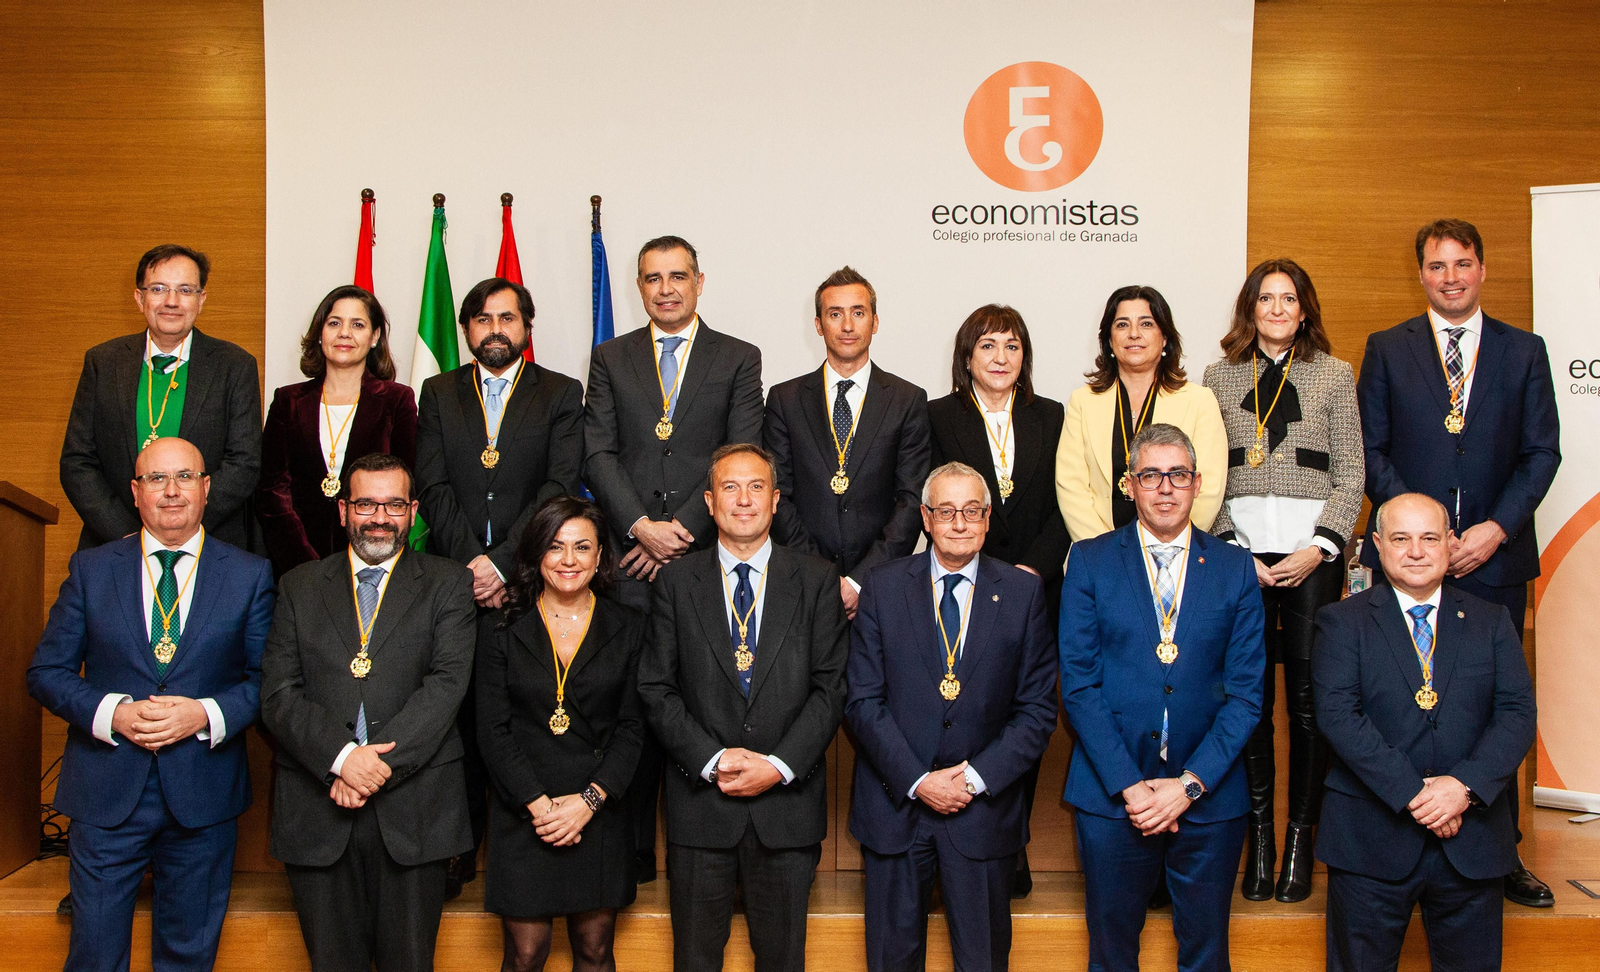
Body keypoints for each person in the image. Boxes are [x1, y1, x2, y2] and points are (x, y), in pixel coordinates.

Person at [1355, 218, 1560, 907]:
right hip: (1410, 560)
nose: (1450, 277)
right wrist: (1426, 535)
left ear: (1482, 268)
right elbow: (1371, 451)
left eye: (1462, 263)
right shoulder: (1388, 349)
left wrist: (1495, 530)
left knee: (1493, 706)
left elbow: (1542, 452)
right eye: (1437, 265)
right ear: (1421, 273)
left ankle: (1503, 853)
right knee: (1405, 699)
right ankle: (1407, 836)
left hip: (1494, 560)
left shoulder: (1524, 350)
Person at [28, 436, 275, 971]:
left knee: (188, 956)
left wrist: (203, 714)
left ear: (206, 488)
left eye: (184, 477)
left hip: (204, 796)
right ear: (135, 491)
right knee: (94, 956)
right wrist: (113, 713)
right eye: (156, 479)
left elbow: (268, 682)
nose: (171, 491)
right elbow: (46, 673)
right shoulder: (91, 569)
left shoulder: (249, 574)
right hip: (106, 792)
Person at [584, 236, 764, 880]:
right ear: (639, 286)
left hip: (703, 561)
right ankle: (632, 854)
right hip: (628, 565)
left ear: (699, 281)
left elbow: (740, 453)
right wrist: (638, 526)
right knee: (631, 707)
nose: (666, 289)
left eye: (678, 276)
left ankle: (705, 856)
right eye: (653, 278)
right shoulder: (610, 357)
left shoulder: (738, 357)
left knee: (703, 705)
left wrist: (679, 530)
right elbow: (597, 452)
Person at [1058, 423, 1265, 972]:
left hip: (1209, 796)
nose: (1165, 487)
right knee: (1111, 954)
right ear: (1129, 485)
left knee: (1206, 954)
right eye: (1150, 475)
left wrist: (1189, 785)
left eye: (1178, 474)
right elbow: (1078, 686)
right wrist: (1132, 787)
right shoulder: (1089, 560)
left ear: (1198, 483)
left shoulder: (1235, 568)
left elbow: (1247, 696)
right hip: (1112, 794)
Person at [261, 452, 476, 972]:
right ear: (343, 510)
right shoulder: (298, 585)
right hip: (317, 809)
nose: (380, 518)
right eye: (366, 504)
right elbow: (279, 694)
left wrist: (370, 767)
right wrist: (341, 760)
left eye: (394, 505)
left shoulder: (449, 583)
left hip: (415, 811)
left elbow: (446, 687)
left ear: (413, 511)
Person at [636, 443, 847, 972]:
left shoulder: (817, 579)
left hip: (787, 813)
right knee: (695, 961)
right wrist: (713, 760)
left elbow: (831, 689)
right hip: (700, 811)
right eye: (730, 487)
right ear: (709, 502)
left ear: (775, 501)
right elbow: (656, 687)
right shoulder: (676, 582)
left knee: (782, 961)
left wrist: (777, 766)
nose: (744, 500)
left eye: (757, 487)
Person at [846, 462, 1057, 971]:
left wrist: (973, 780)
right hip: (896, 808)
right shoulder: (882, 586)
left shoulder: (1023, 593)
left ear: (987, 518)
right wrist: (919, 780)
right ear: (925, 517)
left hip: (981, 812)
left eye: (971, 511)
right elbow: (862, 701)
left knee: (983, 961)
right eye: (946, 511)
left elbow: (1036, 711)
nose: (959, 523)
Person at [1314, 493, 1536, 972]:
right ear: (1377, 546)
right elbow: (1338, 717)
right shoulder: (1340, 622)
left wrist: (1462, 788)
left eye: (1430, 538)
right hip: (1370, 842)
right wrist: (1416, 795)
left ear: (1450, 544)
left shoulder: (1492, 620)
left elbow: (1517, 714)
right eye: (1401, 539)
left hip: (1472, 840)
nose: (1416, 551)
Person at [416, 275, 585, 897]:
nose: (495, 329)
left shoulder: (560, 393)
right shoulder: (438, 392)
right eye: (483, 319)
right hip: (452, 584)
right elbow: (431, 485)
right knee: (456, 720)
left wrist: (501, 562)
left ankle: (529, 845)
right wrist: (470, 562)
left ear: (526, 327)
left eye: (507, 318)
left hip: (528, 581)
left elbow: (558, 485)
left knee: (520, 716)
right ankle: (457, 851)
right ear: (466, 329)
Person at [1201, 259, 1364, 902]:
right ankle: (1259, 843)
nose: (1276, 308)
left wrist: (1320, 548)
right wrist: (1232, 549)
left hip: (1311, 557)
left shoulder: (1334, 374)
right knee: (1248, 700)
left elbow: (1351, 474)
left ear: (1304, 309)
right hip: (1240, 556)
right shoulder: (1218, 377)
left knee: (1307, 703)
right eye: (1265, 298)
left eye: (1288, 298)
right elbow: (1208, 476)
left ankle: (1300, 839)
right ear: (1250, 308)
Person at [925, 304, 1069, 897]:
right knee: (965, 709)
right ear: (967, 357)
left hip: (1034, 589)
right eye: (987, 346)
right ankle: (954, 842)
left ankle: (1011, 843)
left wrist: (1030, 572)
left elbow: (1065, 502)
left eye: (1012, 345)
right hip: (962, 583)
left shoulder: (1051, 415)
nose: (1000, 357)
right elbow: (935, 501)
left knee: (1022, 717)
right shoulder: (938, 415)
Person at [476, 496, 645, 972]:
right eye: (555, 546)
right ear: (536, 553)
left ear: (600, 556)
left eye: (582, 547)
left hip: (598, 810)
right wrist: (540, 806)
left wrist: (588, 803)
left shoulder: (630, 627)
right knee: (526, 955)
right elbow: (492, 730)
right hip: (524, 811)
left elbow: (633, 728)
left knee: (594, 952)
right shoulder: (499, 628)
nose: (569, 560)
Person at [61, 244, 263, 551]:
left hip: (209, 542)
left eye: (185, 290)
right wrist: (127, 534)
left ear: (201, 299)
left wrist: (182, 527)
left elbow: (244, 462)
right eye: (158, 289)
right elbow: (77, 461)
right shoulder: (103, 362)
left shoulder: (234, 365)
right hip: (115, 544)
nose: (171, 301)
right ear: (139, 298)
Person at [764, 265, 932, 620]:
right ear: (818, 324)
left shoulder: (907, 400)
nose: (847, 326)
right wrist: (822, 578)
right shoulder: (785, 399)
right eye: (835, 314)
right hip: (802, 586)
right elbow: (779, 496)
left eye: (858, 313)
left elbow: (911, 499)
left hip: (882, 587)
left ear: (875, 321)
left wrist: (859, 582)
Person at [257, 284, 417, 578]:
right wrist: (306, 567)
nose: (344, 333)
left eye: (357, 325)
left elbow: (403, 486)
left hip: (375, 560)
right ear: (320, 333)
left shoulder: (397, 400)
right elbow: (272, 492)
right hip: (296, 565)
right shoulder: (287, 401)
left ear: (375, 337)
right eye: (334, 323)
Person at [1056, 285, 1228, 543]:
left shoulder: (1199, 401)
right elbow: (1071, 488)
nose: (1134, 334)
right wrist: (1104, 552)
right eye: (1122, 325)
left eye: (1146, 324)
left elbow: (1208, 490)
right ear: (1109, 340)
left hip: (1175, 551)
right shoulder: (1083, 402)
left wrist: (1166, 543)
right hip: (1100, 552)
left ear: (1165, 337)